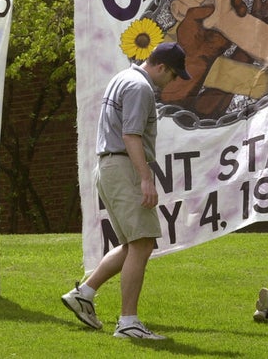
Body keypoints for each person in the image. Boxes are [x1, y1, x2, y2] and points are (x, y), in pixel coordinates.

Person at [61, 42, 191, 340]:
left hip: (108, 166)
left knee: (132, 244)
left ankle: (83, 294)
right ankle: (128, 323)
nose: (171, 82)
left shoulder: (122, 77)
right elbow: (131, 135)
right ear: (161, 67)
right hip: (123, 167)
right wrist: (146, 178)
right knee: (143, 243)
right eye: (173, 75)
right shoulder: (140, 88)